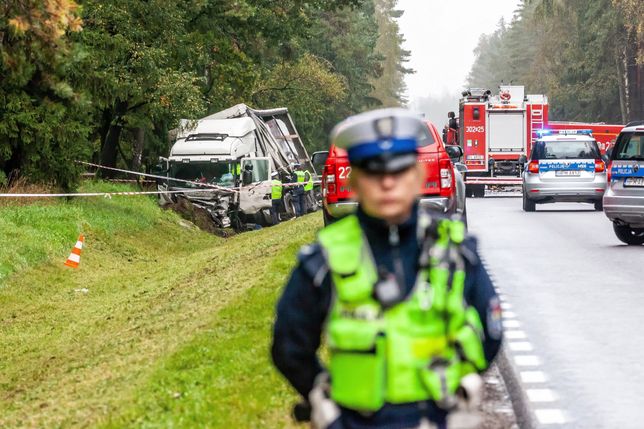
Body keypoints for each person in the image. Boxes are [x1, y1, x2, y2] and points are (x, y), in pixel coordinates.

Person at [271, 108, 503, 429]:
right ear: (354, 181)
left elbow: (490, 332)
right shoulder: (325, 258)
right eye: (373, 173)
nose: (388, 184)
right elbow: (288, 344)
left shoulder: (453, 250)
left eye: (399, 171)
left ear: (418, 176)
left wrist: (461, 385)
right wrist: (324, 400)